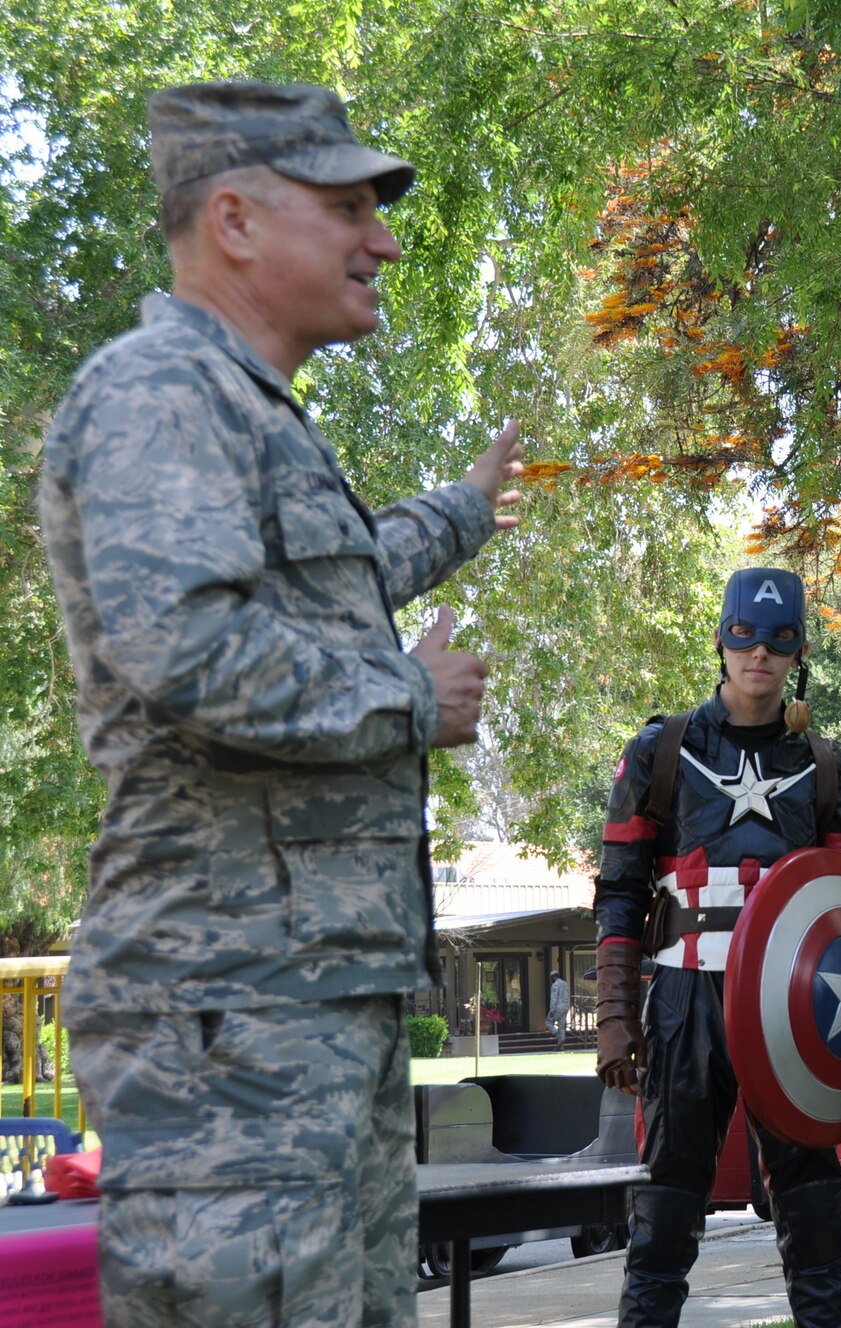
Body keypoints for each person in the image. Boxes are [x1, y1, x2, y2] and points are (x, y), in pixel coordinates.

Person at [41, 81, 525, 1326]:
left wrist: (466, 508)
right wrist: (407, 696)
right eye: (350, 204)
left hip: (307, 1004)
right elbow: (189, 645)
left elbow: (341, 573)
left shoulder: (239, 411)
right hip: (229, 1021)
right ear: (238, 219)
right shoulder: (158, 391)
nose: (385, 236)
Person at [592, 567, 841, 1328]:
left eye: (779, 642)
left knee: (812, 1211)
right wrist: (616, 1014)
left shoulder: (825, 767)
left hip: (793, 1012)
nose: (760, 656)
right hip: (687, 1003)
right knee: (665, 1212)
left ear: (799, 651)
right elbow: (619, 889)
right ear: (721, 638)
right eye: (745, 636)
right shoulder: (660, 750)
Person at [547, 969, 572, 1050]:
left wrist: (552, 1010)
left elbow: (554, 999)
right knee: (561, 1026)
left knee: (548, 1022)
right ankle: (560, 1046)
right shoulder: (565, 984)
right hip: (566, 1007)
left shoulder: (555, 985)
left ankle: (559, 1036)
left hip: (558, 1008)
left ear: (553, 977)